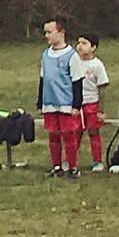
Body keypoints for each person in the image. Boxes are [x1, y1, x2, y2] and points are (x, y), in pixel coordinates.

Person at [37, 17, 81, 178]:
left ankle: (72, 167)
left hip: (66, 103)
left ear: (61, 33)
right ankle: (56, 166)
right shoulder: (45, 55)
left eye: (49, 32)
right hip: (50, 102)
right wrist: (40, 101)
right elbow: (43, 79)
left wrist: (76, 105)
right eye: (45, 32)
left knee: (69, 135)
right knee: (53, 135)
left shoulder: (71, 56)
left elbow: (77, 82)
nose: (46, 36)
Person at [72, 33, 110, 172]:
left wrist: (100, 110)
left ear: (93, 47)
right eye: (79, 42)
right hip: (77, 104)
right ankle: (70, 161)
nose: (80, 46)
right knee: (74, 133)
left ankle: (97, 161)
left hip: (91, 104)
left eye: (84, 43)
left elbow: (102, 88)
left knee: (93, 133)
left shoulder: (97, 65)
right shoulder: (74, 62)